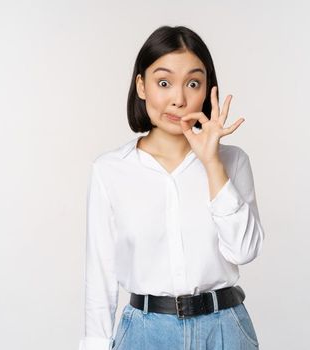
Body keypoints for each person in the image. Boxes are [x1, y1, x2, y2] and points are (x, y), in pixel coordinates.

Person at [78, 25, 265, 350]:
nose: (178, 99)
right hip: (145, 334)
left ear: (208, 89)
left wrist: (211, 163)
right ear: (141, 86)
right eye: (163, 82)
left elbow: (244, 251)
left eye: (193, 83)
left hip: (224, 330)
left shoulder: (232, 161)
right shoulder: (110, 170)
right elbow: (100, 275)